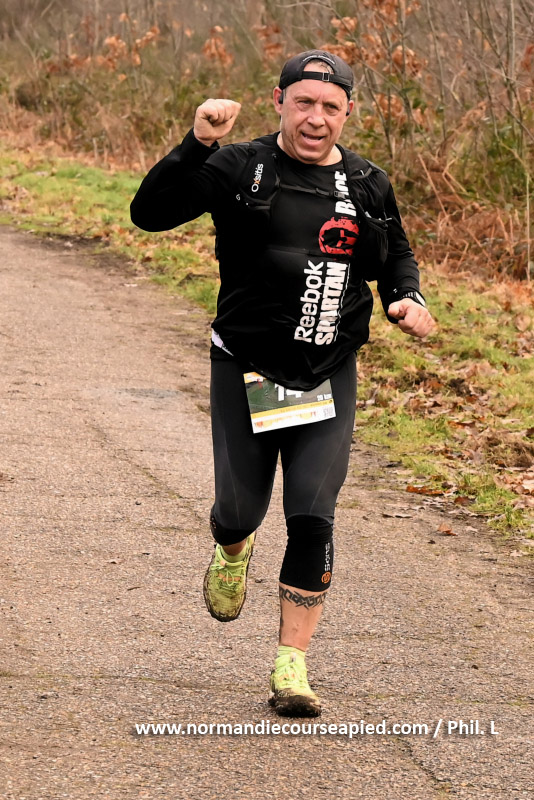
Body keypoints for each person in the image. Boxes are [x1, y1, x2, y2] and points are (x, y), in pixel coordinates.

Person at [130, 49, 434, 718]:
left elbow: (396, 254)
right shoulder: (240, 166)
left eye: (330, 107)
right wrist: (197, 144)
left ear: (348, 111)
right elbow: (150, 213)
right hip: (246, 364)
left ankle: (291, 665)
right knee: (240, 511)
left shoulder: (369, 182)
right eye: (304, 103)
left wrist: (406, 296)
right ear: (279, 102)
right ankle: (232, 547)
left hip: (327, 370)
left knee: (312, 513)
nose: (315, 118)